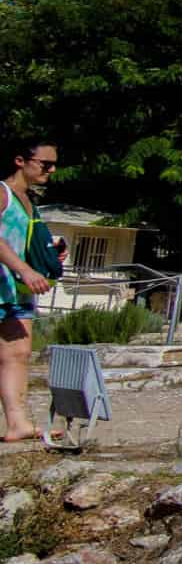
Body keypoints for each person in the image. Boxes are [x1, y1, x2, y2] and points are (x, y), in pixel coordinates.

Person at [1, 136, 58, 444]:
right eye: (45, 164)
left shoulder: (29, 200)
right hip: (7, 280)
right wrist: (23, 268)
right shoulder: (3, 193)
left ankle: (17, 423)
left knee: (19, 353)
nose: (50, 170)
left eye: (54, 165)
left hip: (15, 289)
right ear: (20, 161)